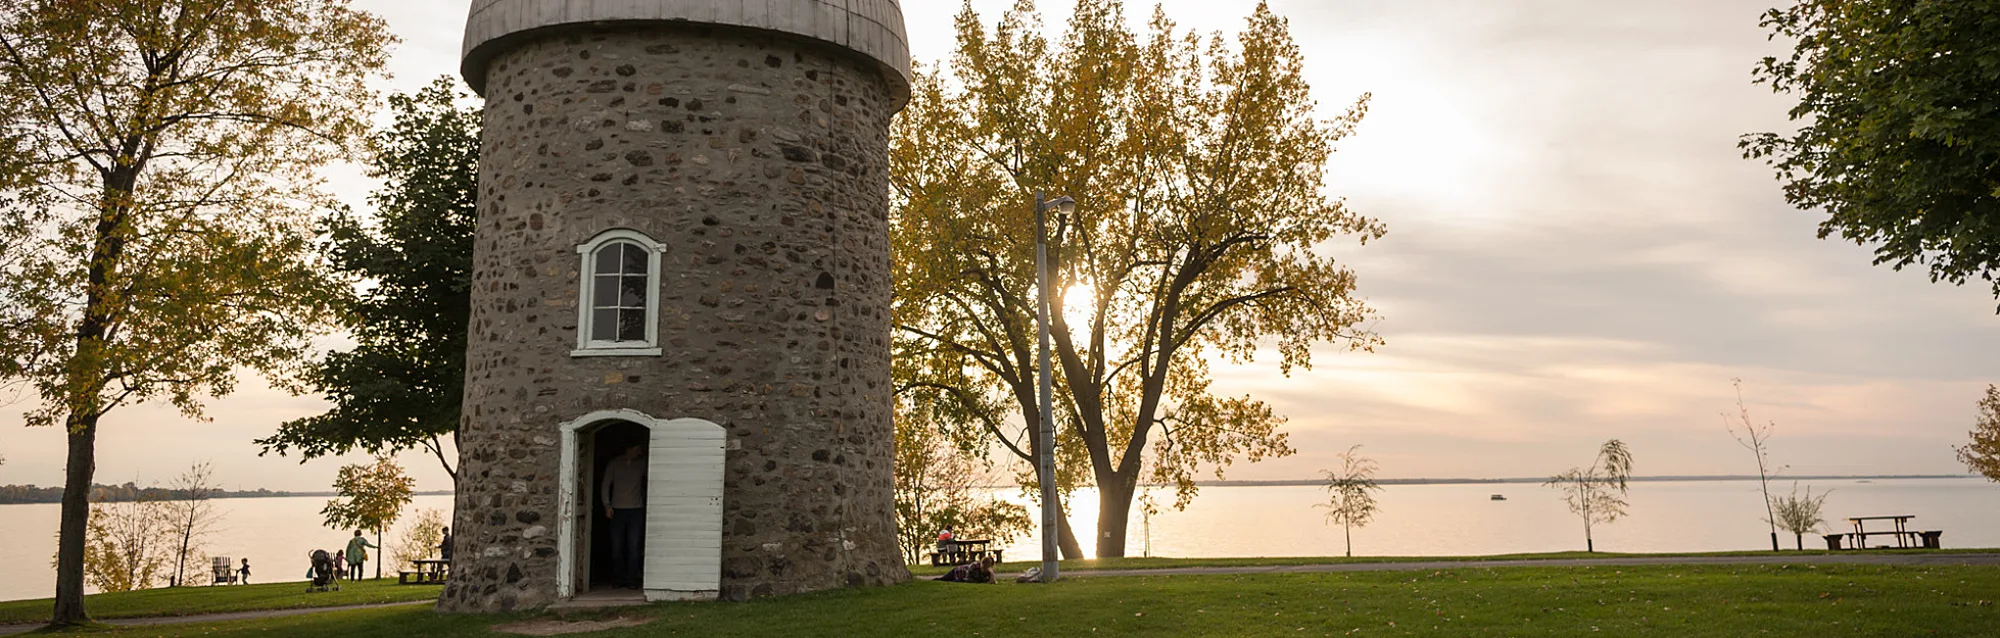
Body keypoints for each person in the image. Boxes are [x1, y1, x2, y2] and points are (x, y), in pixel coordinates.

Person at [601, 441, 648, 588]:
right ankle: (618, 578)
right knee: (617, 547)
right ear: (629, 449)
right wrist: (607, 505)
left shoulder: (642, 464)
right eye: (637, 449)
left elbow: (652, 480)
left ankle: (631, 579)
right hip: (618, 510)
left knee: (634, 547)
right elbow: (605, 484)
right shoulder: (614, 464)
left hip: (636, 510)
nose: (639, 452)